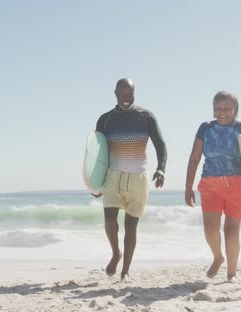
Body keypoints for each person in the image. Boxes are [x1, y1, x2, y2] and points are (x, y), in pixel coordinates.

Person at [184, 91, 241, 282]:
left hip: (238, 183)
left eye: (227, 108)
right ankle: (218, 257)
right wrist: (188, 188)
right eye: (219, 108)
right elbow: (194, 158)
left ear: (235, 110)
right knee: (210, 229)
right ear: (213, 110)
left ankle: (232, 273)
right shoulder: (205, 128)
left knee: (232, 230)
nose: (223, 112)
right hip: (210, 183)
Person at [92, 78, 167, 282]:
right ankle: (116, 253)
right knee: (109, 220)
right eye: (122, 94)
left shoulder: (145, 116)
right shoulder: (105, 119)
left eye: (130, 94)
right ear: (115, 93)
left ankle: (125, 271)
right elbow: (96, 154)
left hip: (137, 177)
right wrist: (94, 183)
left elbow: (160, 144)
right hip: (113, 175)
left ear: (134, 93)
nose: (126, 97)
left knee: (131, 226)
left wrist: (161, 169)